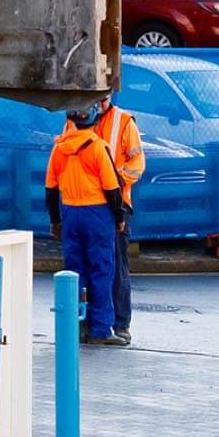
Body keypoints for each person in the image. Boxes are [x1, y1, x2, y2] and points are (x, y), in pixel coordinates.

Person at [46, 109, 129, 347]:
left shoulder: (59, 148)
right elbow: (112, 188)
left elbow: (50, 189)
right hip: (97, 214)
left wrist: (55, 220)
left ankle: (76, 326)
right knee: (102, 270)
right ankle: (101, 328)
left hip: (70, 212)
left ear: (72, 122)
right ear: (95, 123)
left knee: (74, 271)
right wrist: (119, 216)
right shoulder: (97, 147)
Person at [74, 94, 145, 343]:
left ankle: (119, 323)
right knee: (93, 267)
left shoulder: (123, 122)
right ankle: (90, 323)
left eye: (102, 100)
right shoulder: (76, 118)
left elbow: (137, 162)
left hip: (112, 204)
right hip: (89, 205)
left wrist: (115, 182)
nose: (97, 106)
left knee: (114, 267)